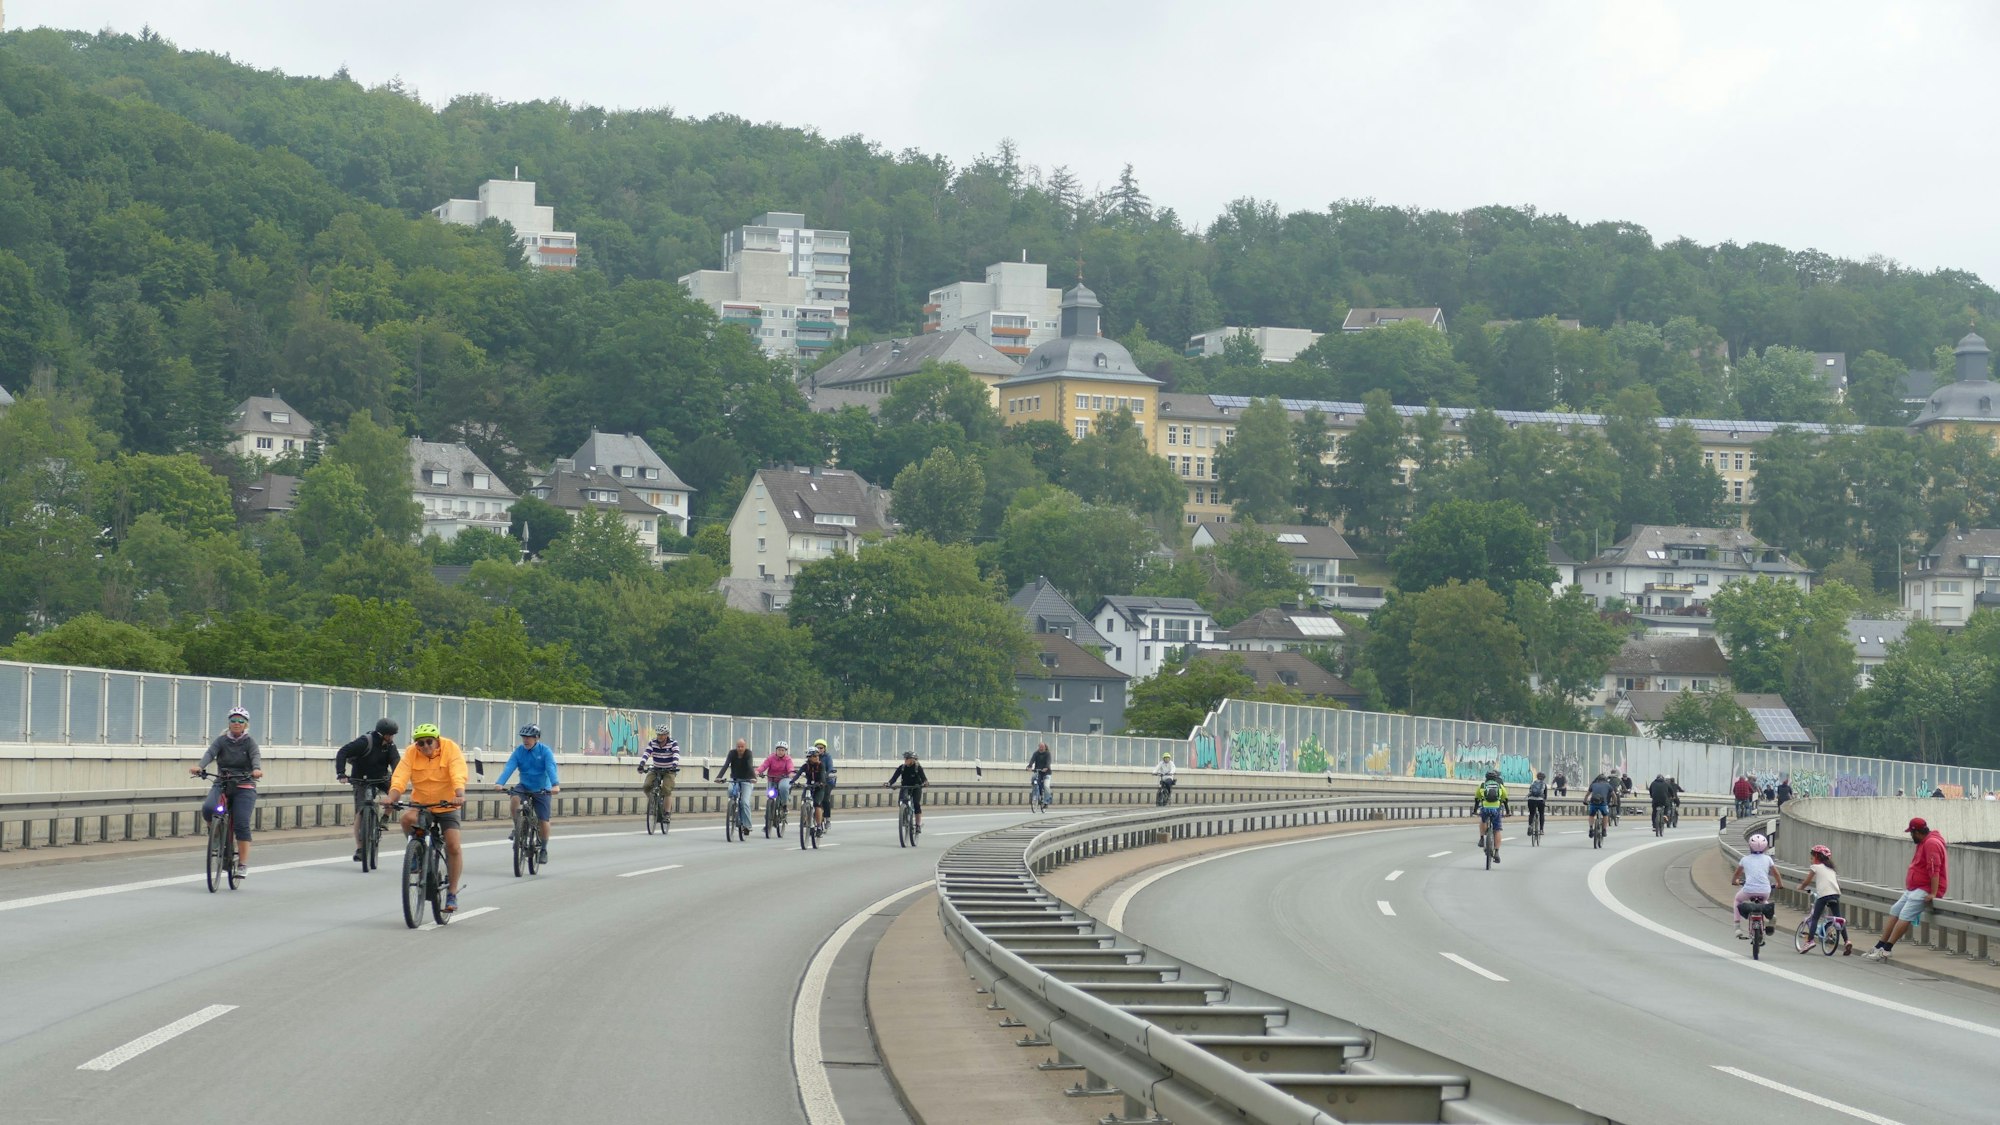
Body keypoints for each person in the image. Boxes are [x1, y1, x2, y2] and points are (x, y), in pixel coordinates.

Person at [383, 723, 467, 912]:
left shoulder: (450, 748)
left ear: (437, 741)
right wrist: (391, 797)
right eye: (421, 743)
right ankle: (417, 854)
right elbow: (400, 777)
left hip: (448, 804)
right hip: (422, 803)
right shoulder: (412, 753)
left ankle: (452, 894)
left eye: (429, 742)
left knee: (453, 845)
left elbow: (458, 772)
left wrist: (459, 794)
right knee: (406, 819)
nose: (425, 746)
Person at [1862, 818, 1949, 962]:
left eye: (1911, 833)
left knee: (1904, 915)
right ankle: (1879, 946)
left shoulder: (1931, 843)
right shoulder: (1923, 842)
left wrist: (1933, 893)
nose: (1911, 836)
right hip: (1915, 888)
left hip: (1926, 888)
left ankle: (1887, 950)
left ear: (1917, 832)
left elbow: (1934, 869)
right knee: (1895, 910)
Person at [190, 706, 263, 878]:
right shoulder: (221, 740)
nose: (236, 724)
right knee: (209, 808)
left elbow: (255, 757)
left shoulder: (250, 742)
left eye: (240, 721)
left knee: (241, 823)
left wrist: (256, 769)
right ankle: (216, 837)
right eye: (233, 720)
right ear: (229, 723)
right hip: (223, 781)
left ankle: (243, 864)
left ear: (246, 724)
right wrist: (200, 767)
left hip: (244, 785)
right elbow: (210, 753)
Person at [335, 718, 401, 862]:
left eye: (393, 735)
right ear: (381, 733)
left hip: (381, 778)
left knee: (397, 790)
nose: (391, 737)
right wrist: (341, 773)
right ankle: (360, 848)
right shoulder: (365, 741)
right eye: (389, 735)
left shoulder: (390, 746)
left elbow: (397, 764)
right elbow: (342, 752)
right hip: (361, 779)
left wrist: (398, 779)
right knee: (360, 811)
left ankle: (385, 818)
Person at [495, 724, 559, 863]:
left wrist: (555, 785)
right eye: (524, 737)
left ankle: (543, 849)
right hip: (524, 786)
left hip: (543, 788)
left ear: (536, 738)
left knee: (543, 820)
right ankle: (518, 827)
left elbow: (551, 768)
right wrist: (500, 783)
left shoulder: (545, 751)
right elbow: (509, 767)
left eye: (529, 737)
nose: (526, 740)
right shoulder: (519, 751)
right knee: (514, 799)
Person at [1796, 844, 1850, 955]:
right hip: (1835, 894)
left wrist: (1801, 887)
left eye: (1812, 857)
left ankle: (1810, 941)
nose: (1811, 860)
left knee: (1815, 917)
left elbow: (1807, 881)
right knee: (1839, 919)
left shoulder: (1816, 867)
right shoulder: (1832, 870)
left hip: (1823, 895)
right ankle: (1847, 941)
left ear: (1817, 856)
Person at [1731, 832, 1778, 940]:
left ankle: (1737, 927)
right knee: (1763, 901)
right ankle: (1771, 916)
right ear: (1765, 847)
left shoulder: (1745, 859)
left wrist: (1734, 881)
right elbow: (1776, 873)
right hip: (1765, 891)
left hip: (1748, 890)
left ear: (1749, 846)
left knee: (1737, 900)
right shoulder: (1768, 859)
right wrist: (1780, 884)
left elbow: (1737, 874)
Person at [637, 725, 680, 819]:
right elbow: (646, 753)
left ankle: (667, 813)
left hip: (669, 770)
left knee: (666, 789)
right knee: (646, 786)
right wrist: (641, 764)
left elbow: (676, 754)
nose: (659, 737)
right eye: (658, 735)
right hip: (656, 768)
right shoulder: (652, 743)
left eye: (662, 735)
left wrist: (674, 765)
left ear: (666, 735)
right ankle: (654, 802)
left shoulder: (673, 743)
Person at [717, 739, 756, 839]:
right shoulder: (732, 753)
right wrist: (719, 777)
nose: (740, 749)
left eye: (742, 746)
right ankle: (733, 806)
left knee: (744, 802)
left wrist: (753, 778)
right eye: (738, 746)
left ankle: (747, 826)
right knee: (730, 791)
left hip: (747, 780)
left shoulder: (748, 753)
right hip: (735, 779)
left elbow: (749, 765)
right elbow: (726, 765)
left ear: (745, 746)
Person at [758, 740, 796, 835]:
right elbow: (764, 766)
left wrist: (791, 773)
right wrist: (758, 771)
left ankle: (784, 805)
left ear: (785, 751)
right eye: (779, 750)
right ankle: (768, 823)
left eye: (782, 750)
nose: (780, 752)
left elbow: (791, 768)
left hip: (784, 779)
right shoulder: (771, 758)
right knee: (770, 798)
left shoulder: (788, 759)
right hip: (772, 780)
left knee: (783, 787)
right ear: (776, 750)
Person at [885, 750, 928, 828]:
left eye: (907, 758)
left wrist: (925, 783)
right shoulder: (902, 767)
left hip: (916, 787)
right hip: (905, 787)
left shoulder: (918, 768)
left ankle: (918, 825)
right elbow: (894, 778)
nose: (905, 760)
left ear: (913, 759)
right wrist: (889, 783)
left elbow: (924, 779)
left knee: (916, 804)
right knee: (901, 802)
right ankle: (905, 817)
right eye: (905, 758)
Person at [1472, 769, 1508, 861]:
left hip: (1485, 808)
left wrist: (1475, 810)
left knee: (1483, 820)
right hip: (1496, 809)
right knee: (1497, 830)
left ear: (1486, 778)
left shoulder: (1482, 785)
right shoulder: (1500, 786)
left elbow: (1477, 799)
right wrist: (1508, 811)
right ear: (1496, 778)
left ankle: (1481, 838)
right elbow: (1505, 799)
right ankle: (1497, 852)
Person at [795, 747, 829, 831]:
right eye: (814, 756)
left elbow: (822, 777)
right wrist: (791, 782)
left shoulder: (821, 765)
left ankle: (819, 826)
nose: (817, 757)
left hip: (819, 786)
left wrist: (821, 783)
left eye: (817, 755)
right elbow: (798, 774)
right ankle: (805, 819)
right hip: (809, 785)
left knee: (817, 804)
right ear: (809, 757)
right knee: (804, 801)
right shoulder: (805, 766)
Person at [812, 738, 839, 831]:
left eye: (821, 748)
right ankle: (807, 816)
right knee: (809, 796)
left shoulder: (827, 757)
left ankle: (827, 819)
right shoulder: (812, 756)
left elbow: (830, 768)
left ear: (824, 749)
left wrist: (827, 775)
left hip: (827, 781)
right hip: (816, 781)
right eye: (817, 748)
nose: (819, 750)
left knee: (825, 799)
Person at [1585, 772, 1614, 838]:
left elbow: (1587, 795)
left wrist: (1585, 801)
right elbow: (1614, 796)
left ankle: (1591, 828)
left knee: (1591, 815)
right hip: (1603, 804)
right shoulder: (1608, 785)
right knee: (1605, 815)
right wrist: (1615, 803)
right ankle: (1604, 830)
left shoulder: (1593, 785)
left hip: (1593, 803)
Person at [1028, 742, 1053, 806]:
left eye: (1042, 747)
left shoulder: (1048, 754)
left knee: (1046, 786)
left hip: (1046, 773)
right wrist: (1029, 766)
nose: (1041, 748)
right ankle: (1035, 795)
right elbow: (1032, 760)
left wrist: (1046, 767)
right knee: (1034, 778)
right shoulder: (1036, 753)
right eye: (1040, 747)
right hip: (1038, 772)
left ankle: (1046, 801)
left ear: (1045, 747)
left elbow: (1048, 761)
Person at [1525, 772, 1548, 836]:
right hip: (1540, 800)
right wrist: (1544, 802)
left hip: (1531, 800)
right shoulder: (1544, 784)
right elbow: (1545, 796)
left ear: (1537, 777)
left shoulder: (1533, 783)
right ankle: (1541, 830)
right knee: (1541, 814)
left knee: (1532, 813)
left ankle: (1530, 825)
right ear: (1544, 778)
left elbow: (1530, 792)